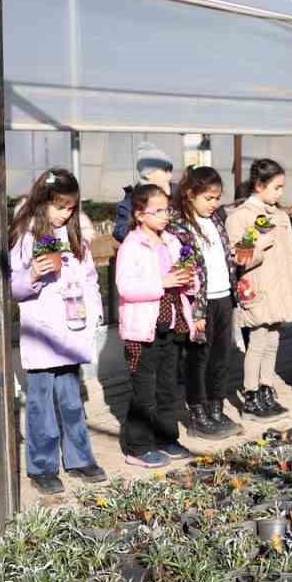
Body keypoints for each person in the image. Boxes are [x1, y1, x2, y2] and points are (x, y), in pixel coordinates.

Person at [9, 168, 109, 494]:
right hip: (42, 334)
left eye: (70, 208)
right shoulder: (25, 237)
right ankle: (42, 466)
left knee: (71, 399)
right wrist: (32, 275)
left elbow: (90, 279)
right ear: (42, 203)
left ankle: (80, 458)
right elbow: (13, 287)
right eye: (59, 207)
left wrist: (94, 313)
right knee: (40, 403)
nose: (65, 214)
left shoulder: (76, 236)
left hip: (72, 330)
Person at [114, 184, 197, 468]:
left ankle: (165, 438)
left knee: (166, 387)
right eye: (157, 211)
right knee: (143, 390)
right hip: (143, 329)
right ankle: (138, 446)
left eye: (167, 209)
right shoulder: (132, 246)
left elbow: (186, 279)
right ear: (139, 214)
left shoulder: (171, 242)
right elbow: (125, 287)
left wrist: (189, 281)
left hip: (171, 324)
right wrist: (161, 283)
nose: (165, 216)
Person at [225, 159, 292, 418]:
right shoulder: (240, 217)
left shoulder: (281, 216)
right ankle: (250, 396)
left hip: (280, 289)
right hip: (258, 288)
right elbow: (240, 259)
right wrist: (260, 243)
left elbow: (291, 255)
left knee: (273, 340)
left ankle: (266, 388)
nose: (281, 193)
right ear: (259, 185)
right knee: (258, 342)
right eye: (276, 187)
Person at [169, 166, 243, 440]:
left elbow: (220, 256)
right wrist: (195, 309)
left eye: (217, 198)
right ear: (190, 194)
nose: (214, 204)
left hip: (223, 296)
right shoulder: (179, 225)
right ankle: (198, 414)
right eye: (208, 198)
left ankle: (216, 407)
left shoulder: (216, 220)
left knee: (221, 357)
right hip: (199, 302)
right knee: (198, 359)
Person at [111, 141, 176, 244]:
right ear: (148, 174)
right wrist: (151, 235)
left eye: (171, 171)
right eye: (165, 171)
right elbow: (120, 231)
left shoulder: (174, 193)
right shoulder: (131, 202)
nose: (170, 176)